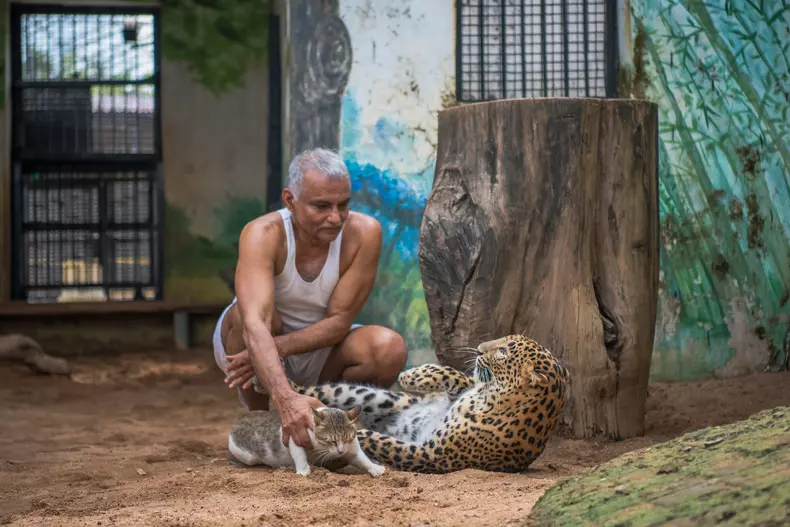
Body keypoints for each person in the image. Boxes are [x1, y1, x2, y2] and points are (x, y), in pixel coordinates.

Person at [212, 148, 408, 449]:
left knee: (388, 348)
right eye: (321, 206)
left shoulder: (365, 232)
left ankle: (334, 424)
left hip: (320, 346)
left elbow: (339, 321)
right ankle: (259, 419)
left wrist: (269, 349)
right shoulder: (262, 233)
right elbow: (254, 323)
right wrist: (283, 396)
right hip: (254, 339)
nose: (335, 217)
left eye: (343, 205)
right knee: (243, 315)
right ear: (290, 201)